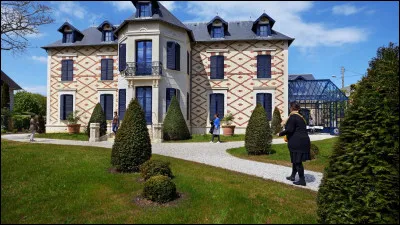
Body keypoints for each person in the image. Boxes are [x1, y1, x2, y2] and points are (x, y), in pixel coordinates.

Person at [278, 102, 311, 186]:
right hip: (302, 141)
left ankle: (302, 180)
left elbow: (289, 129)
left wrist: (280, 134)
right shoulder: (300, 117)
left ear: (291, 108)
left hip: (297, 142)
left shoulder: (293, 117)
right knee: (295, 160)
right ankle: (293, 176)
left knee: (297, 161)